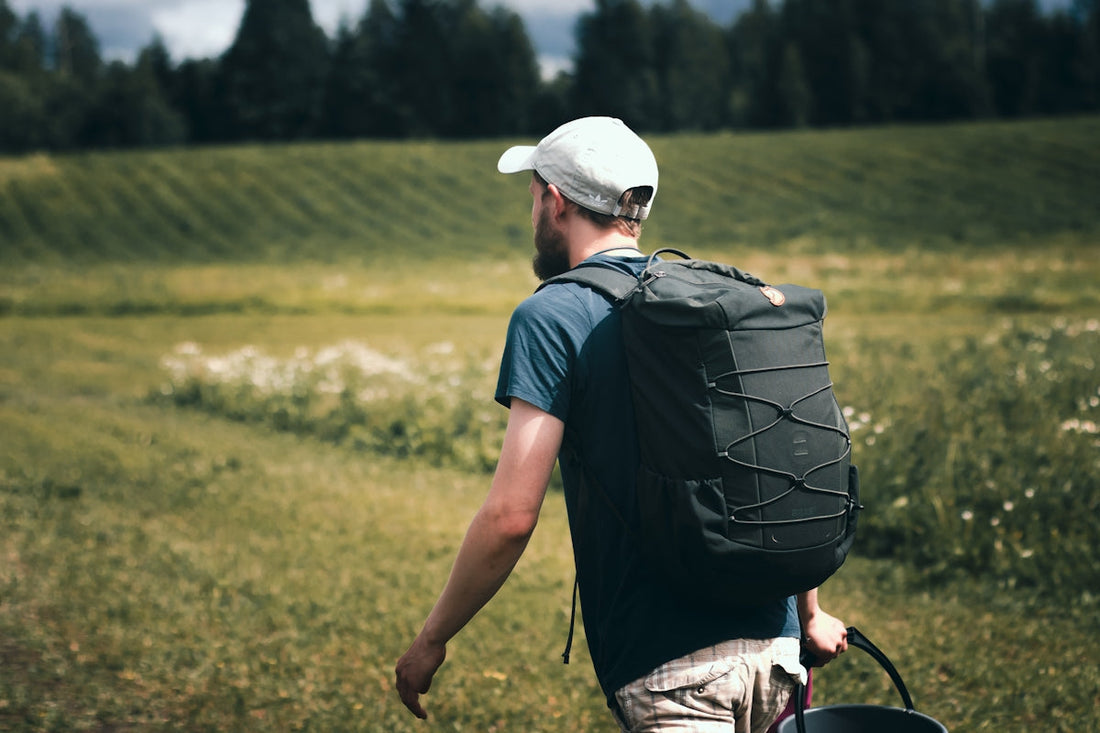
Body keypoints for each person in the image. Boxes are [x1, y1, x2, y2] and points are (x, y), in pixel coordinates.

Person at [395, 116, 849, 732]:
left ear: (556, 201)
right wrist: (811, 611)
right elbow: (771, 459)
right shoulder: (709, 297)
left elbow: (510, 517)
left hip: (672, 671)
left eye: (532, 194)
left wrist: (431, 640)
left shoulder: (552, 315)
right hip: (778, 652)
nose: (531, 210)